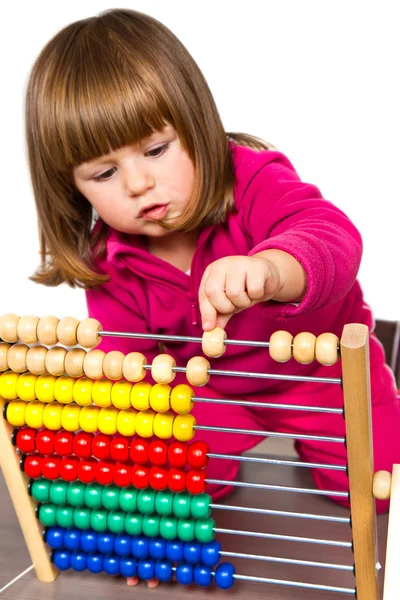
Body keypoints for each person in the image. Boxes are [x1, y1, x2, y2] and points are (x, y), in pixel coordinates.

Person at [25, 7, 399, 587]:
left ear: (196, 123)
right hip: (211, 390)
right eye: (103, 174)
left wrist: (273, 268)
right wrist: (146, 520)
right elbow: (133, 371)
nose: (137, 184)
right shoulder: (112, 259)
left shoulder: (252, 180)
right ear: (71, 190)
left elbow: (332, 236)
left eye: (155, 150)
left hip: (324, 376)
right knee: (168, 455)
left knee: (382, 490)